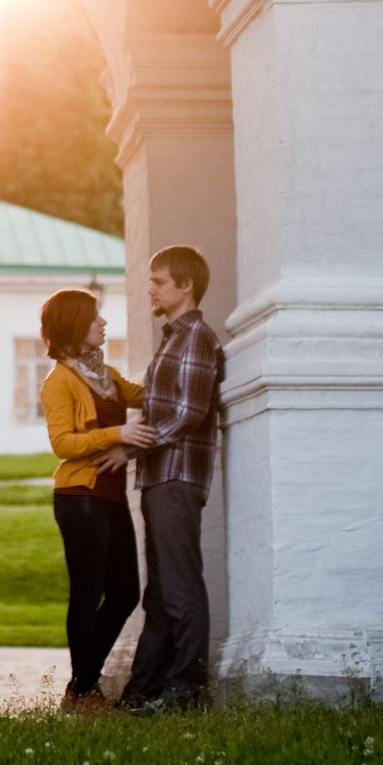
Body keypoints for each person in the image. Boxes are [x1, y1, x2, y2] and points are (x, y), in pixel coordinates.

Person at [118, 244, 224, 711]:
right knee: (159, 595)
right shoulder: (174, 338)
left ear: (186, 286)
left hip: (177, 478)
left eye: (159, 282)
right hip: (160, 476)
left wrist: (132, 444)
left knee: (180, 589)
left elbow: (188, 412)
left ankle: (185, 693)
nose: (151, 290)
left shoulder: (196, 337)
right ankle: (142, 693)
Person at [38, 286, 143, 713]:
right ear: (73, 325)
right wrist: (118, 434)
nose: (103, 322)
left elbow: (148, 397)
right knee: (87, 592)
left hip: (110, 497)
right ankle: (84, 692)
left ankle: (80, 686)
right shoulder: (58, 382)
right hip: (79, 497)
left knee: (125, 593)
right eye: (95, 316)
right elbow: (62, 443)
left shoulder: (107, 375)